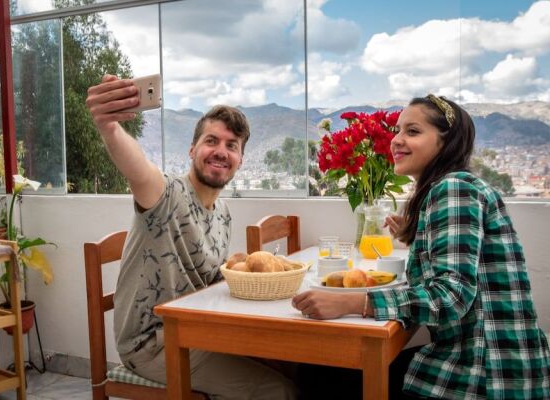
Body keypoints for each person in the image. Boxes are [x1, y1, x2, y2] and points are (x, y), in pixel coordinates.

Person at [292, 94, 550, 399]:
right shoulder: (455, 187)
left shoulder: (454, 189)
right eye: (398, 130)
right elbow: (467, 271)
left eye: (412, 132)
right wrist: (419, 238)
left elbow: (451, 296)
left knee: (321, 375)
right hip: (490, 359)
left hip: (482, 372)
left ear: (446, 142)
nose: (397, 140)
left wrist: (352, 302)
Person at [86, 75, 297, 400]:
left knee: (296, 363)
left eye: (232, 146)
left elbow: (210, 282)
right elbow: (138, 169)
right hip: (152, 344)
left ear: (240, 161)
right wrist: (110, 128)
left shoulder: (223, 213)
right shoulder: (167, 194)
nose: (221, 151)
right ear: (192, 149)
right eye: (211, 141)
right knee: (278, 390)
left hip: (196, 331)